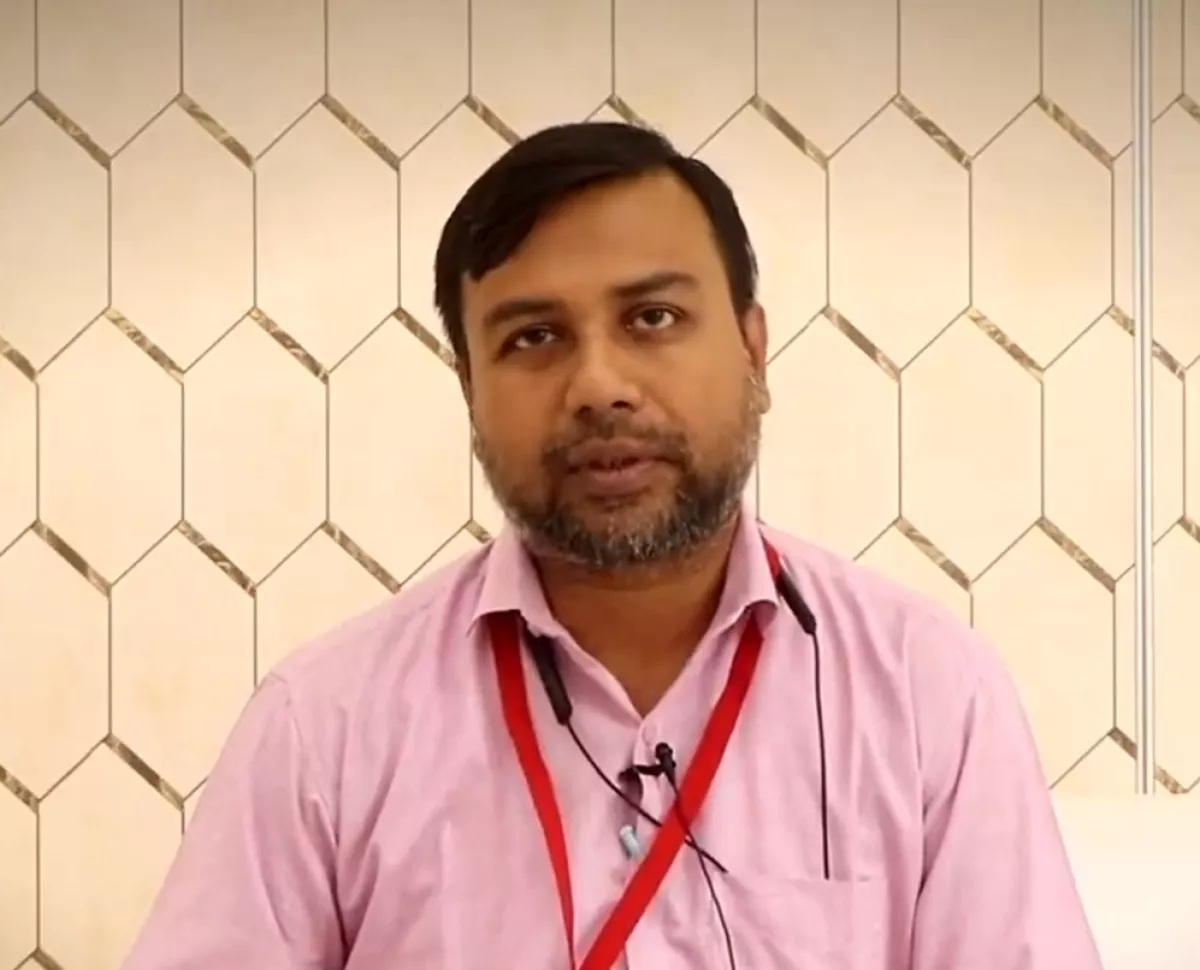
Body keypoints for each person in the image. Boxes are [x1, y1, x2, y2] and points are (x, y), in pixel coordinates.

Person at [122, 121, 1103, 970]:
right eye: (533, 337)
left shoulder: (929, 697)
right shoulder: (324, 730)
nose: (599, 385)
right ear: (469, 389)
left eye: (653, 318)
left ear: (754, 350)